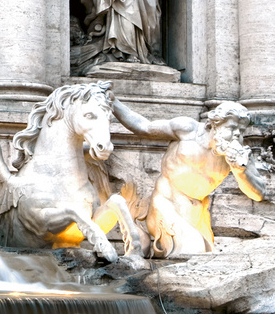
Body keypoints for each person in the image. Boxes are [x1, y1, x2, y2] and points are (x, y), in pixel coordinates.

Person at [112, 99, 265, 256]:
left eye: (241, 129)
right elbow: (144, 127)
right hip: (166, 204)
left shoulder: (240, 154)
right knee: (194, 250)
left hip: (198, 214)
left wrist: (240, 170)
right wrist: (112, 103)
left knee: (204, 257)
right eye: (232, 127)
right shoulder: (188, 130)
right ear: (214, 124)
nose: (237, 134)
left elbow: (258, 194)